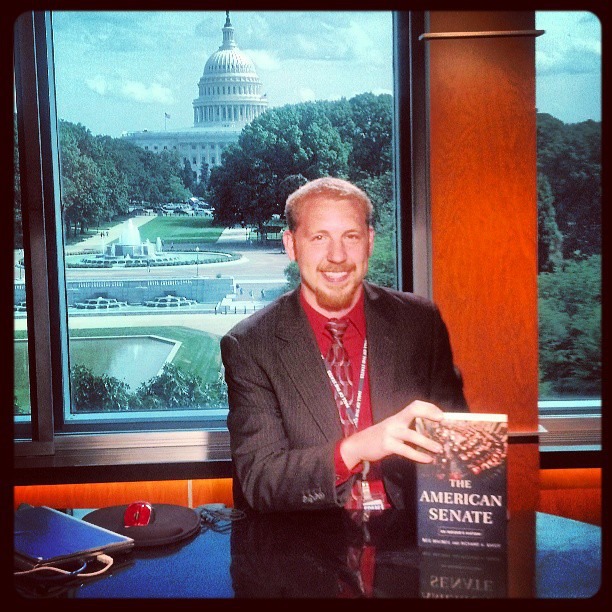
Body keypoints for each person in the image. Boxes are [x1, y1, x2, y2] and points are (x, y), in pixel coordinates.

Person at [220, 177, 468, 514]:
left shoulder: (421, 323)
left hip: (407, 534)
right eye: (319, 237)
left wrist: (480, 497)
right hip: (307, 547)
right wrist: (354, 450)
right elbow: (259, 480)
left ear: (369, 242)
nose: (337, 256)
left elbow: (457, 444)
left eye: (350, 237)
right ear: (291, 245)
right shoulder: (251, 345)